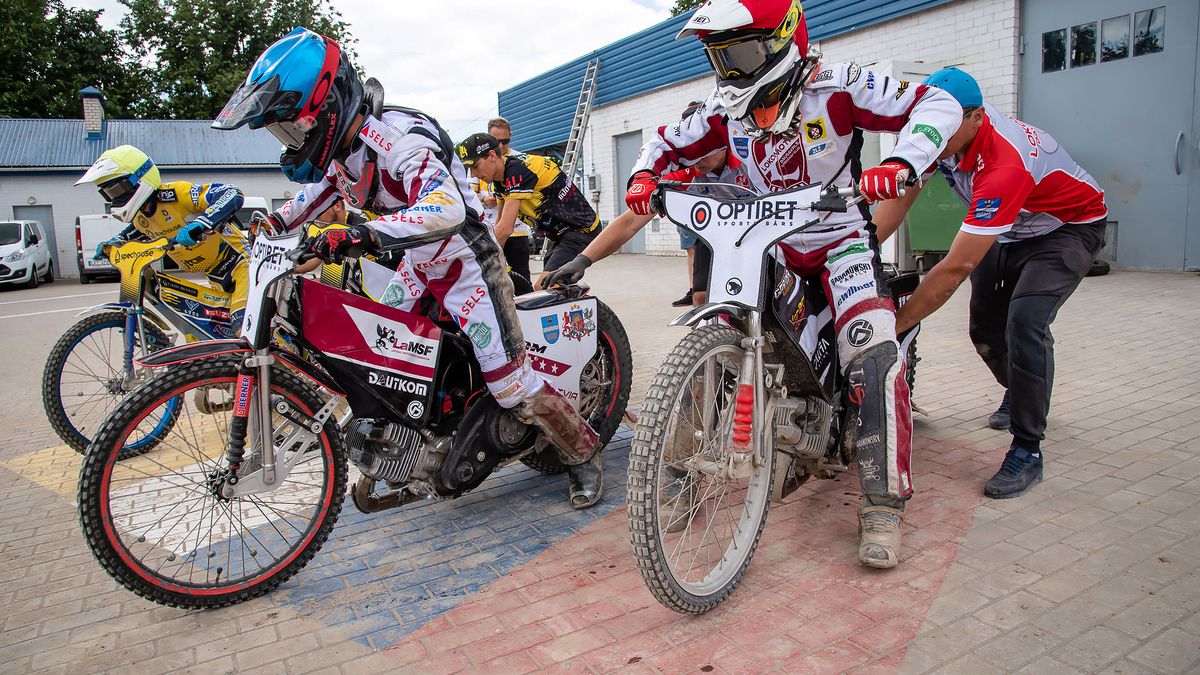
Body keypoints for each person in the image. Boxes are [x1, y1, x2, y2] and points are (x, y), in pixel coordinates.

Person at [562, 0, 963, 568]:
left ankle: (883, 502)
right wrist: (644, 176)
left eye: (742, 51)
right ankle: (673, 470)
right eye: (719, 54)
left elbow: (936, 103)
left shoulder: (837, 84)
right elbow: (663, 140)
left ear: (783, 40)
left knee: (873, 353)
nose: (730, 67)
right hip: (762, 240)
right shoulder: (721, 107)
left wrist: (902, 161)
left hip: (838, 239)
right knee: (721, 336)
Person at [212, 27, 604, 508]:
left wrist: (357, 235)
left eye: (295, 128)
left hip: (467, 262)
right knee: (387, 354)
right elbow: (321, 192)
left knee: (509, 384)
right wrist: (277, 220)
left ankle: (582, 454)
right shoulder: (344, 150)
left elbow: (446, 208)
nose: (292, 142)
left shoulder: (399, 140)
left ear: (327, 106)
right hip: (419, 262)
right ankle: (408, 451)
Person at [873, 67, 1108, 499]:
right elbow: (897, 203)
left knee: (1025, 321)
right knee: (983, 329)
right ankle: (1020, 392)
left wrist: (896, 324)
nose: (932, 135)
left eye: (944, 125)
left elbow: (954, 269)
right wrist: (860, 251)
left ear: (976, 117)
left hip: (1067, 228)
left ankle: (1027, 449)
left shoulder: (1005, 161)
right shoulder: (939, 131)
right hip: (1012, 228)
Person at [76, 144, 248, 334]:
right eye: (109, 194)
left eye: (117, 190)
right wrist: (111, 245)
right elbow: (126, 236)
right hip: (214, 276)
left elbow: (231, 193)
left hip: (241, 264)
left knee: (244, 328)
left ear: (139, 179)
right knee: (204, 333)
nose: (115, 198)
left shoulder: (176, 194)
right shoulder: (142, 219)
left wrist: (202, 223)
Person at [456, 133, 601, 291]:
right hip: (560, 236)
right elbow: (498, 225)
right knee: (547, 289)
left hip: (581, 231)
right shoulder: (500, 180)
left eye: (475, 166)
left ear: (492, 155)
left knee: (544, 287)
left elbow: (506, 228)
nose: (473, 174)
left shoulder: (516, 171)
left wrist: (476, 260)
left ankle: (584, 314)